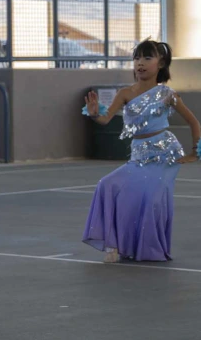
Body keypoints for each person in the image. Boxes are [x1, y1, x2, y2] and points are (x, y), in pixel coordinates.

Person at [81, 40, 200, 262]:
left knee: (152, 200)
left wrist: (195, 152)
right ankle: (114, 245)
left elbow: (194, 122)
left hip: (166, 154)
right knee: (108, 184)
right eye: (136, 58)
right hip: (139, 155)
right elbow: (105, 120)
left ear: (161, 63)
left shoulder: (167, 93)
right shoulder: (125, 93)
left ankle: (150, 249)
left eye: (147, 58)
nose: (140, 63)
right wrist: (95, 114)